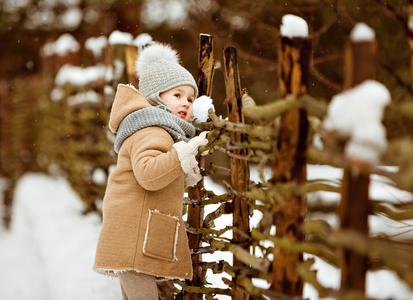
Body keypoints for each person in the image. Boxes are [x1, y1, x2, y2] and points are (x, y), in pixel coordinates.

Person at [93, 43, 209, 300]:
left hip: (133, 234)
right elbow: (148, 173)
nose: (186, 104)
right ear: (156, 97)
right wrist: (185, 153)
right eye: (177, 95)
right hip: (133, 235)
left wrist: (182, 166)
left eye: (190, 98)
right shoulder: (152, 129)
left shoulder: (160, 130)